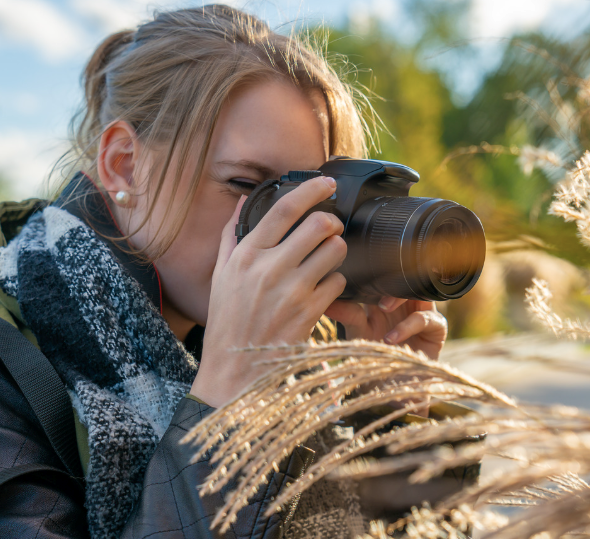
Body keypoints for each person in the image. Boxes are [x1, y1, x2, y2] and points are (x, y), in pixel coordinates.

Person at [0, 4, 449, 538]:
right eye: (246, 187)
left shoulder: (306, 358)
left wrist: (390, 422)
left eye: (308, 202)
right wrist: (227, 405)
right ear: (123, 162)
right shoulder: (15, 362)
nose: (281, 234)